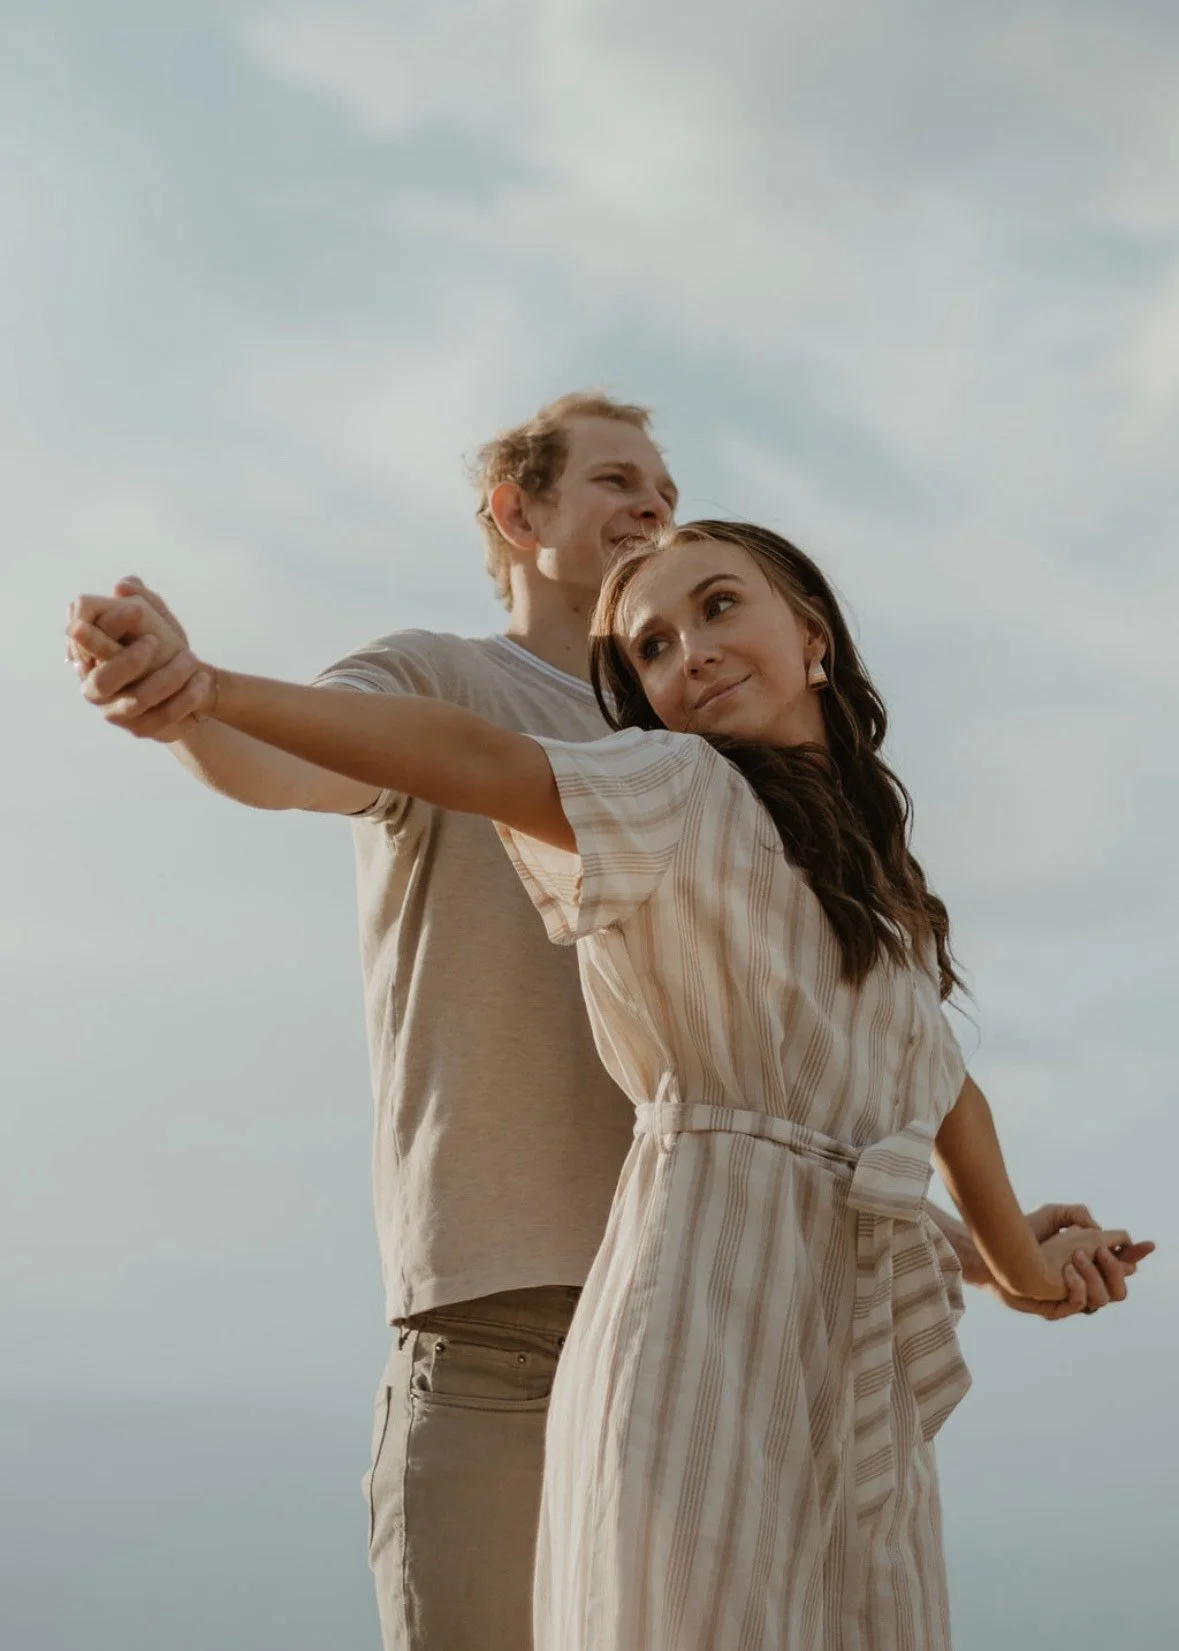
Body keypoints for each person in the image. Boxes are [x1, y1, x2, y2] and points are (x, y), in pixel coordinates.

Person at [66, 404, 1149, 1649]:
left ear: (816, 643)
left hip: (805, 1337)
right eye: (618, 479)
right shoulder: (616, 756)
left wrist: (1012, 1259)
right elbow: (379, 762)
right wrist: (201, 701)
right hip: (531, 1310)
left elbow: (888, 1098)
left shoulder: (807, 840)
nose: (654, 506)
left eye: (675, 497)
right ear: (517, 515)